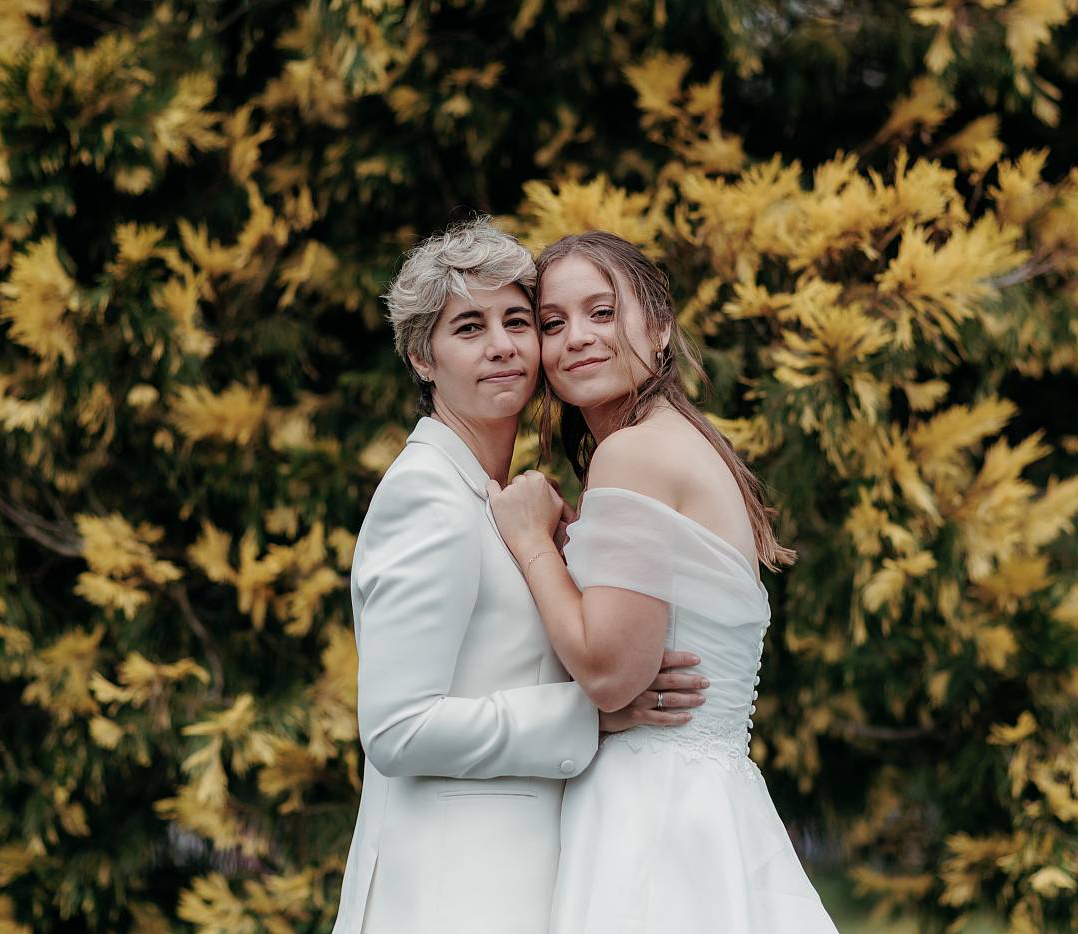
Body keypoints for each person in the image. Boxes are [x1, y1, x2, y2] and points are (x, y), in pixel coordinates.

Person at [333, 218, 706, 934]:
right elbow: (397, 728)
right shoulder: (427, 495)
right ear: (421, 357)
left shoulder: (505, 500)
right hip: (447, 895)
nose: (503, 345)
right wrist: (589, 716)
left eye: (516, 321)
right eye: (469, 328)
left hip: (510, 885)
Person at [488, 230, 840, 932]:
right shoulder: (686, 441)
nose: (576, 338)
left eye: (601, 311)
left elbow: (611, 671)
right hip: (709, 804)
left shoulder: (635, 454)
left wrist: (532, 546)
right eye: (553, 323)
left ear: (660, 327)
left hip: (650, 814)